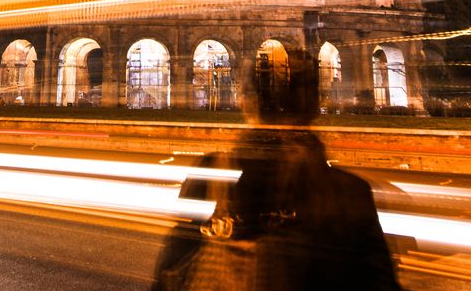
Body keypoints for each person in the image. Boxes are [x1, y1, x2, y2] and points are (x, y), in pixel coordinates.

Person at [152, 47, 400, 290]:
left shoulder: (211, 176)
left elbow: (170, 275)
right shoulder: (349, 194)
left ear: (245, 102)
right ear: (316, 104)